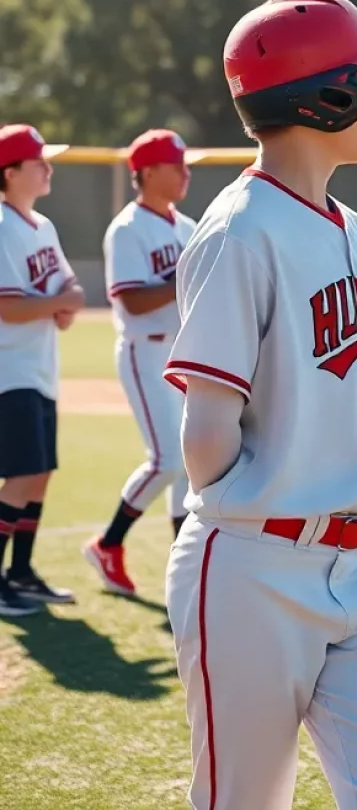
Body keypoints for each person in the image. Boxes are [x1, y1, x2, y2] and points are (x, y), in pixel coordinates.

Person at [162, 0, 357, 809]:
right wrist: (271, 505)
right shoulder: (237, 232)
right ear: (324, 96)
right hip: (253, 569)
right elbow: (204, 440)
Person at [83, 129, 198, 597]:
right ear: (147, 172)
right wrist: (185, 276)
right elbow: (131, 300)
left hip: (182, 351)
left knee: (191, 460)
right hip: (145, 349)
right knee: (167, 459)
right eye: (176, 165)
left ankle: (183, 568)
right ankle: (108, 544)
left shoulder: (186, 226)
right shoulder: (127, 228)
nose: (184, 173)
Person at [0, 123, 84, 615]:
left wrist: (61, 300)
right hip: (10, 369)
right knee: (23, 471)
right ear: (9, 173)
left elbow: (65, 285)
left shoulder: (42, 225)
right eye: (39, 162)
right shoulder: (4, 225)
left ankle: (22, 571)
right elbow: (9, 308)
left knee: (41, 472)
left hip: (40, 367)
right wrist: (59, 300)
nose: (48, 168)